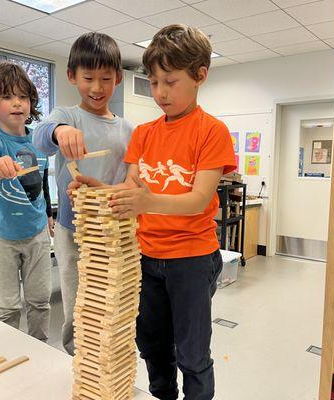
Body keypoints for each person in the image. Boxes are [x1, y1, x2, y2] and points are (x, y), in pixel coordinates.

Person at [70, 24, 237, 399]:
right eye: (155, 81)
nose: (160, 92)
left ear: (200, 77)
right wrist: (99, 189)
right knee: (153, 347)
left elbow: (198, 200)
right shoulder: (145, 133)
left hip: (192, 258)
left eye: (170, 82)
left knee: (192, 354)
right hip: (145, 256)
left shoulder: (212, 131)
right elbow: (133, 187)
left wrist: (146, 202)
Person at [32, 32, 133, 354]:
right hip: (72, 229)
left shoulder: (127, 129)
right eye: (88, 77)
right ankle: (77, 360)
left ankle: (108, 359)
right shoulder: (67, 116)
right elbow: (40, 138)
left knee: (112, 300)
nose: (97, 88)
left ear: (118, 77)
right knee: (78, 303)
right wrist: (59, 131)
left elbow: (134, 180)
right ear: (72, 76)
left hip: (113, 229)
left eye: (106, 78)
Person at [0, 61, 53, 341]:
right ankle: (9, 352)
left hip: (38, 234)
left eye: (23, 96)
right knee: (6, 308)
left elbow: (41, 181)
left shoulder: (39, 141)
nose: (17, 103)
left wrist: (50, 214)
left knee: (40, 302)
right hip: (3, 237)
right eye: (7, 97)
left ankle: (39, 349)